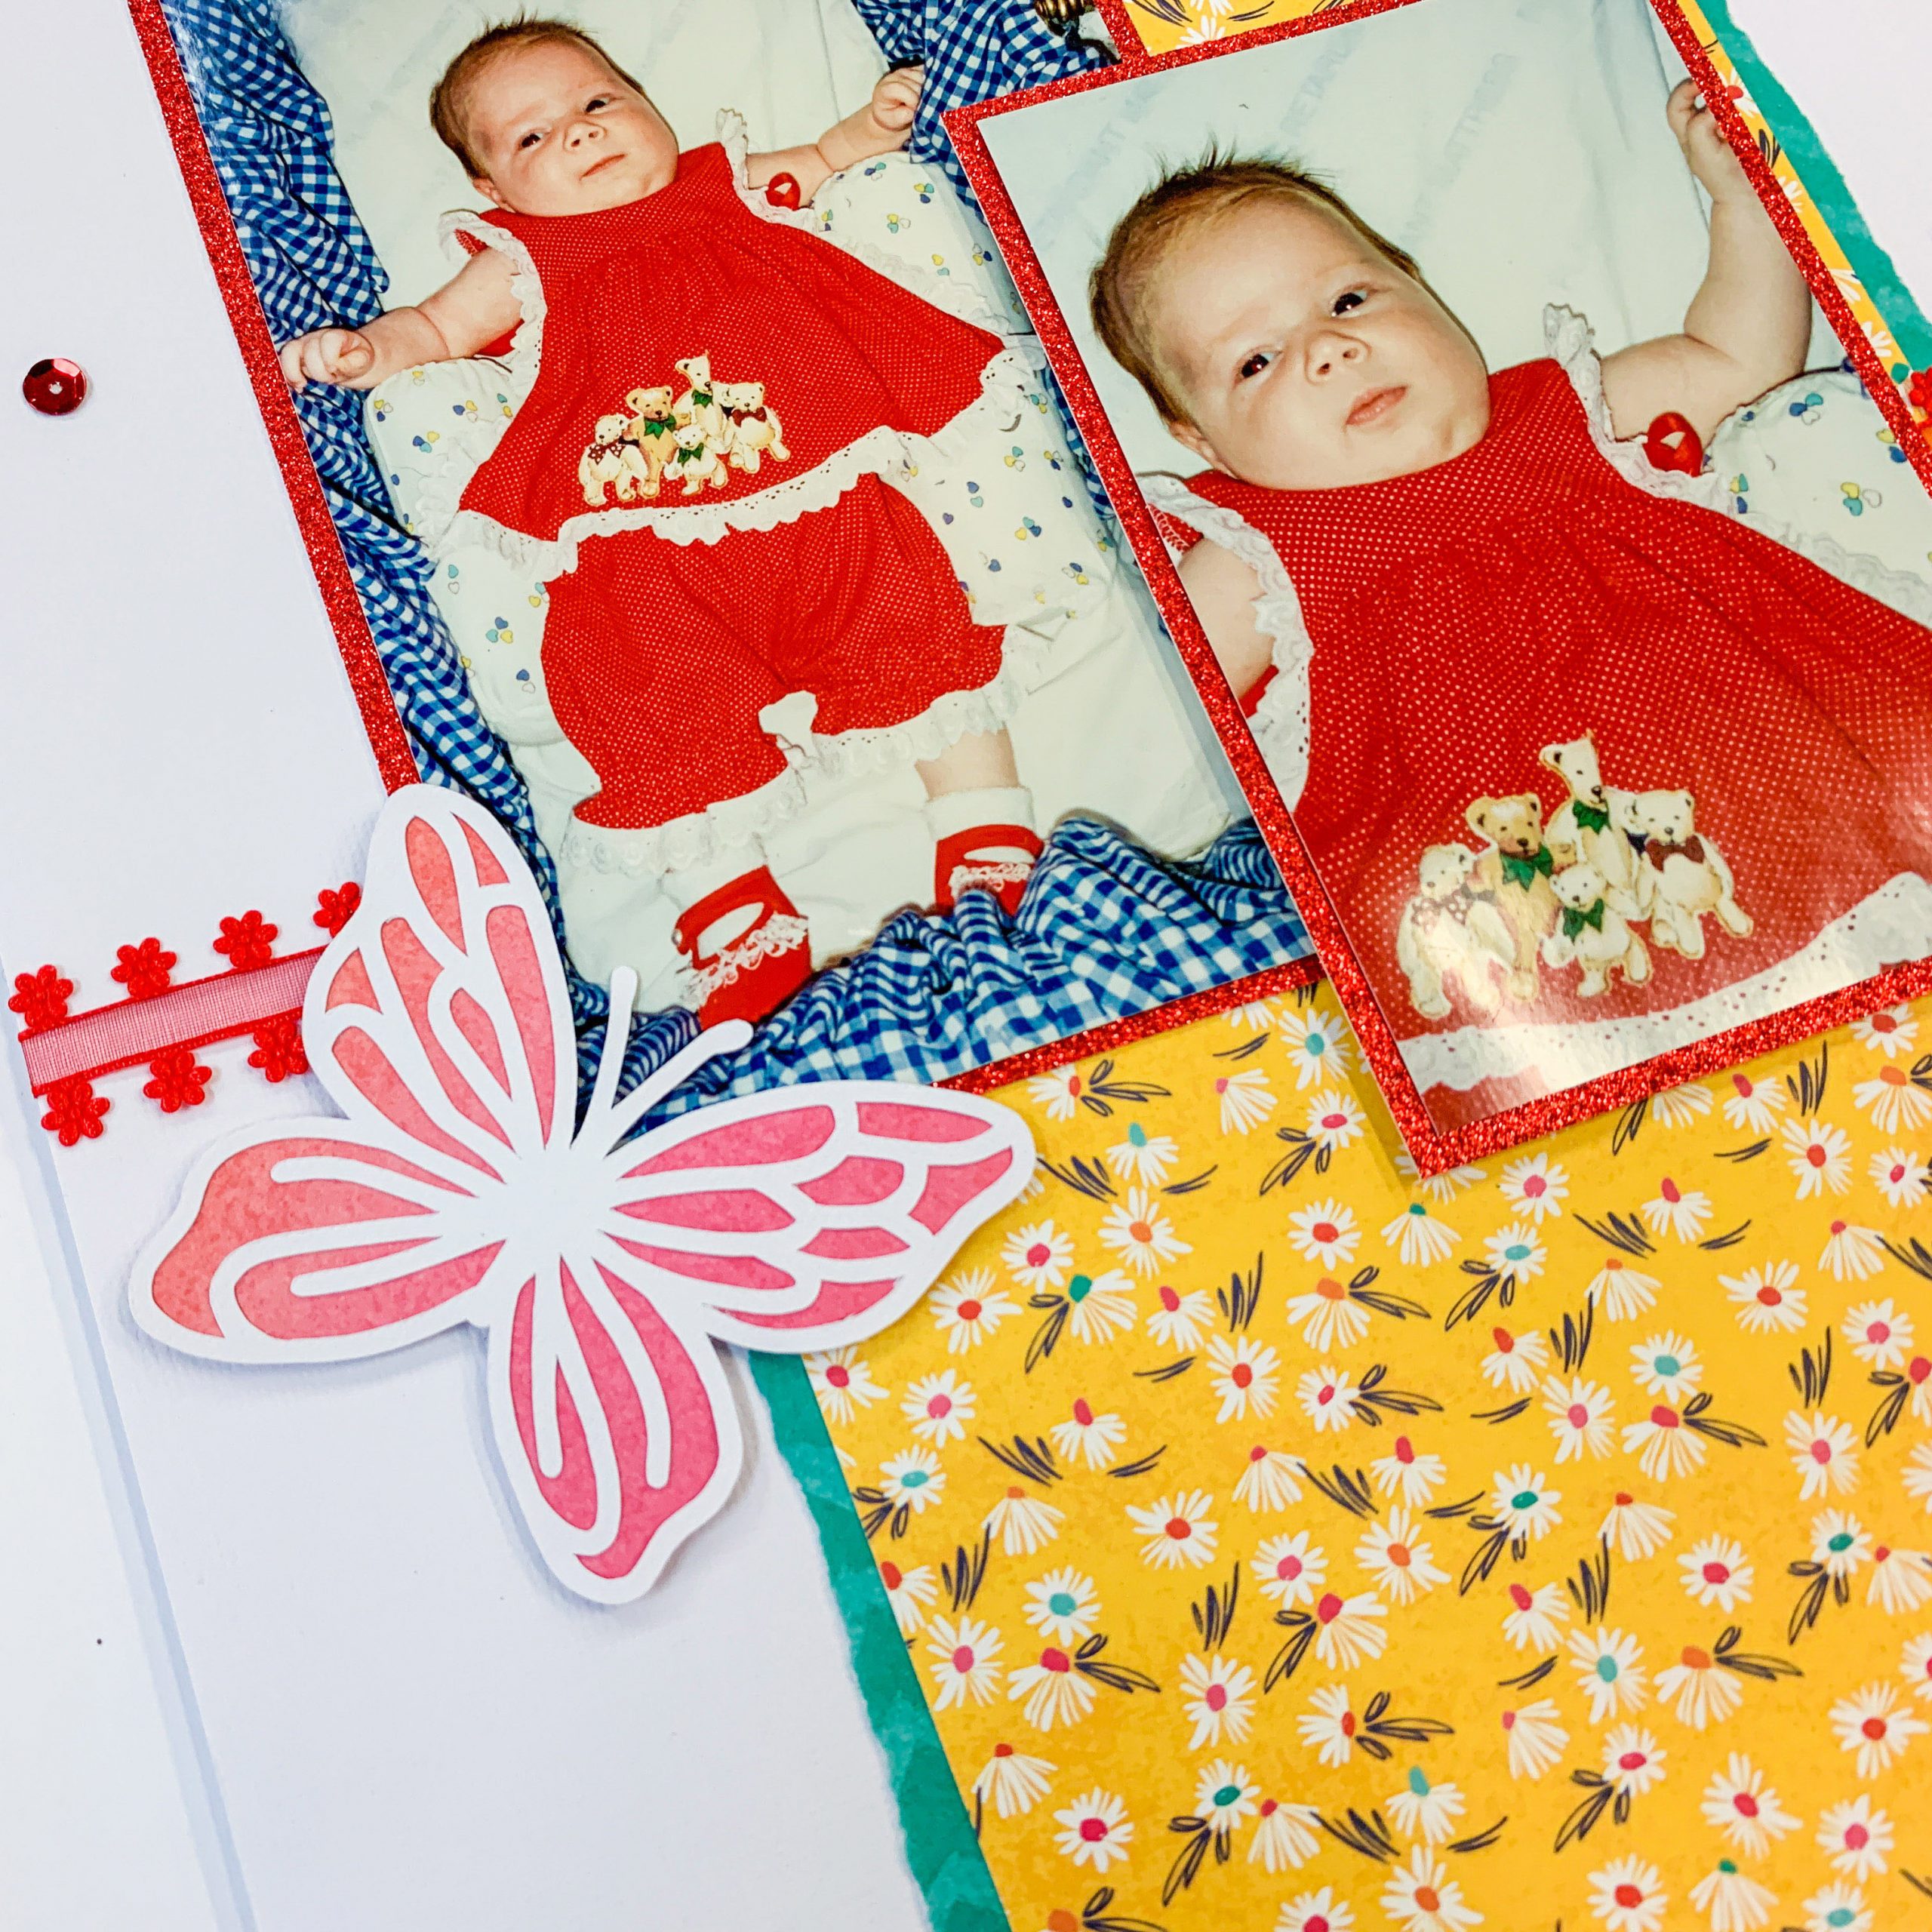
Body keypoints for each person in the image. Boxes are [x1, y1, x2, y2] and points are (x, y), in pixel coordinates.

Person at [1088, 85, 1932, 1103]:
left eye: (1349, 301)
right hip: (1512, 906)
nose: (1328, 350)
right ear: (1202, 442)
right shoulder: (1259, 551)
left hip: (1779, 765)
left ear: (1416, 283)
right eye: (1256, 362)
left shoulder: (1565, 409)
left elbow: (1738, 359)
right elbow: (1156, 719)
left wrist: (1740, 201)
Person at [280, 20, 1043, 1026]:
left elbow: (819, 163)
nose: (580, 132)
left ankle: (985, 821)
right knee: (632, 678)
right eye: (533, 137)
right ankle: (730, 906)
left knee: (903, 602)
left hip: (811, 487)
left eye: (598, 102)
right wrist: (366, 354)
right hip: (639, 537)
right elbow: (433, 328)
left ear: (647, 106)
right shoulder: (521, 256)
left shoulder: (718, 181)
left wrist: (871, 128)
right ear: (492, 193)